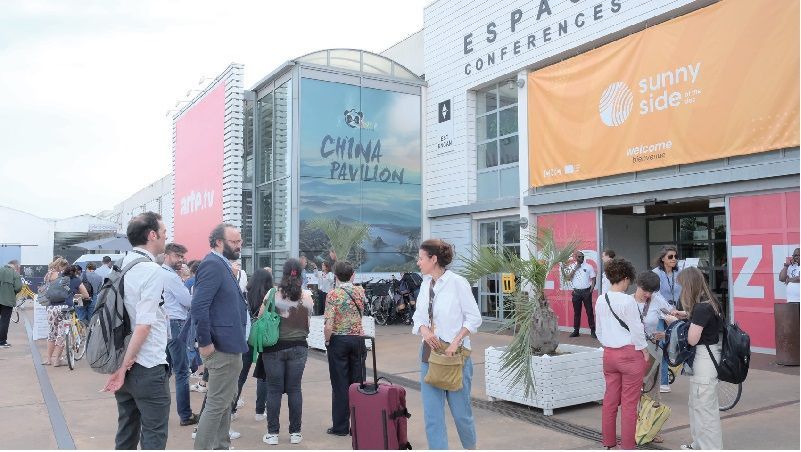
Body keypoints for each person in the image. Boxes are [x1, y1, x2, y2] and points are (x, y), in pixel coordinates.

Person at [100, 212, 170, 450]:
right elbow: (144, 324)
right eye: (164, 233)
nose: (166, 237)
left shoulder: (121, 265)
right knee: (154, 435)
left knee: (127, 430)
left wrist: (121, 366)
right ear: (152, 235)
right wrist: (124, 368)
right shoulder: (151, 270)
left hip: (122, 358)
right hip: (147, 364)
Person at [413, 238, 482, 450]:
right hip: (429, 354)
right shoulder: (425, 284)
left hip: (455, 355)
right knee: (432, 416)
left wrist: (455, 342)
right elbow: (418, 316)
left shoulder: (457, 283)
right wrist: (424, 329)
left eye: (421, 258)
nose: (418, 262)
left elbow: (474, 318)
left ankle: (470, 448)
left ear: (433, 259)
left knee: (461, 414)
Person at [192, 223, 249, 450]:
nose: (239, 245)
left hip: (230, 345)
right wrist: (205, 343)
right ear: (218, 242)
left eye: (239, 241)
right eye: (234, 242)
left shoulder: (222, 264)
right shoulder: (213, 265)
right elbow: (199, 307)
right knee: (217, 404)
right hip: (220, 347)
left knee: (225, 402)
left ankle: (221, 446)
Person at [258, 258, 313, 446]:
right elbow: (308, 321)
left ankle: (272, 434)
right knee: (295, 389)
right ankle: (295, 433)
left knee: (274, 389)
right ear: (300, 273)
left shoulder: (272, 293)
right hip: (299, 346)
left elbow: (261, 316)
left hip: (274, 347)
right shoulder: (307, 296)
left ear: (283, 273)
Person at [595, 258, 648, 450]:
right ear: (625, 278)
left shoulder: (601, 299)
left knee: (610, 400)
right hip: (630, 355)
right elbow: (637, 330)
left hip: (609, 355)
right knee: (629, 404)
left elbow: (599, 331)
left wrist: (609, 343)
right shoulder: (628, 300)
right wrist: (644, 350)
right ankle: (627, 446)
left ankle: (609, 443)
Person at [670, 267, 723, 450]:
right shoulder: (710, 302)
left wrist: (675, 323)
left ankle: (709, 447)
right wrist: (685, 315)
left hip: (703, 359)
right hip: (709, 357)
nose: (681, 291)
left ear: (689, 286)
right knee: (698, 406)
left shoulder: (701, 308)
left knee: (704, 410)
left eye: (682, 286)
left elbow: (692, 339)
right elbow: (703, 322)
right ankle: (699, 445)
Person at [323, 260, 367, 436]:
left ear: (335, 276)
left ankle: (340, 427)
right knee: (358, 384)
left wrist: (327, 341)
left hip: (339, 341)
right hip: (358, 339)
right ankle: (359, 426)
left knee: (340, 384)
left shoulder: (333, 294)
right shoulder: (360, 291)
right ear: (352, 275)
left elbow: (328, 325)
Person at [632, 270, 675, 444]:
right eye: (645, 290)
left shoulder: (657, 300)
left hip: (651, 353)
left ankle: (651, 429)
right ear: (638, 284)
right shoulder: (626, 302)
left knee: (652, 393)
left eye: (652, 291)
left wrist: (665, 333)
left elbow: (672, 316)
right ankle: (633, 428)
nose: (648, 295)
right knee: (633, 394)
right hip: (632, 352)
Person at [161, 242, 199, 427]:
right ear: (167, 255)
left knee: (165, 371)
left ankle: (156, 411)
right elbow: (188, 301)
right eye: (177, 256)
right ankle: (185, 415)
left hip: (165, 324)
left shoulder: (159, 273)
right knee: (182, 372)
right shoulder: (171, 277)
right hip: (176, 324)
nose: (181, 260)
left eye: (182, 257)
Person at [233, 268, 272, 422]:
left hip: (246, 337)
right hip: (264, 338)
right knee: (263, 375)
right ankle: (259, 411)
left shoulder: (244, 295)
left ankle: (232, 409)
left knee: (240, 376)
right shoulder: (269, 297)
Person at [652, 245, 682, 393]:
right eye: (670, 256)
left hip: (674, 313)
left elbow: (684, 291)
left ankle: (667, 373)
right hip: (659, 314)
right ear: (663, 258)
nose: (674, 259)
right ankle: (663, 381)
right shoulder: (655, 273)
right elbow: (655, 296)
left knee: (676, 343)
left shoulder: (679, 273)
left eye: (676, 256)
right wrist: (667, 313)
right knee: (661, 346)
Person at [41, 257, 69, 365]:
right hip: (62, 307)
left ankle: (48, 359)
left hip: (51, 307)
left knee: (52, 333)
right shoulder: (63, 276)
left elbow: (44, 288)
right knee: (61, 333)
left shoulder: (48, 275)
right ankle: (57, 360)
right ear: (61, 266)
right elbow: (68, 290)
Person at [568, 250, 597, 338]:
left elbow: (593, 279)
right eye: (579, 256)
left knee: (589, 312)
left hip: (586, 292)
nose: (581, 258)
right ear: (575, 257)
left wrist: (590, 291)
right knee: (577, 313)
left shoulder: (588, 266)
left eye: (582, 256)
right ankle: (576, 331)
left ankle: (593, 331)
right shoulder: (572, 266)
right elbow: (568, 278)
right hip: (576, 293)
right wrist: (575, 268)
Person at [0, 260, 23, 348]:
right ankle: (2, 342)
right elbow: (18, 287)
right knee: (4, 321)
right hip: (7, 301)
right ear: (15, 266)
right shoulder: (15, 274)